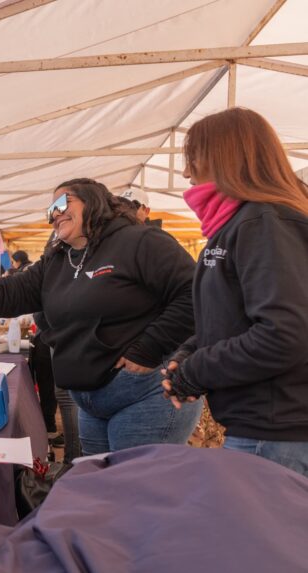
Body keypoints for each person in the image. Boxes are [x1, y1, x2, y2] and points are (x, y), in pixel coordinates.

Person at [0, 178, 202, 456]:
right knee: (97, 490)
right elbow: (10, 291)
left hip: (145, 395)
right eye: (49, 211)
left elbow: (195, 293)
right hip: (92, 402)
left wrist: (149, 348)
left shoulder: (140, 240)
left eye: (62, 203)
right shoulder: (59, 258)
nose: (54, 214)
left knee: (133, 494)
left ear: (93, 200)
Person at [162, 107, 308, 476]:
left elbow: (284, 335)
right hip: (263, 426)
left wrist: (197, 370)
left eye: (191, 157)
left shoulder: (264, 222)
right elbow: (236, 317)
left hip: (277, 431)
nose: (186, 172)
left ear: (223, 156)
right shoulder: (243, 224)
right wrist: (191, 352)